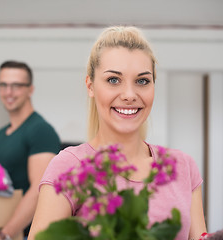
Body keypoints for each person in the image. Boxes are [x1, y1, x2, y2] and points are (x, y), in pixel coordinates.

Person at [27, 26, 207, 240]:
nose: (130, 95)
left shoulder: (182, 166)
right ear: (90, 86)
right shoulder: (69, 167)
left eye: (142, 81)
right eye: (113, 80)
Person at [0, 61, 61, 240]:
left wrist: (4, 234)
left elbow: (40, 190)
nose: (8, 92)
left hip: (28, 234)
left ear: (30, 89)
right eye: (3, 85)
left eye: (16, 85)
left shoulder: (40, 130)